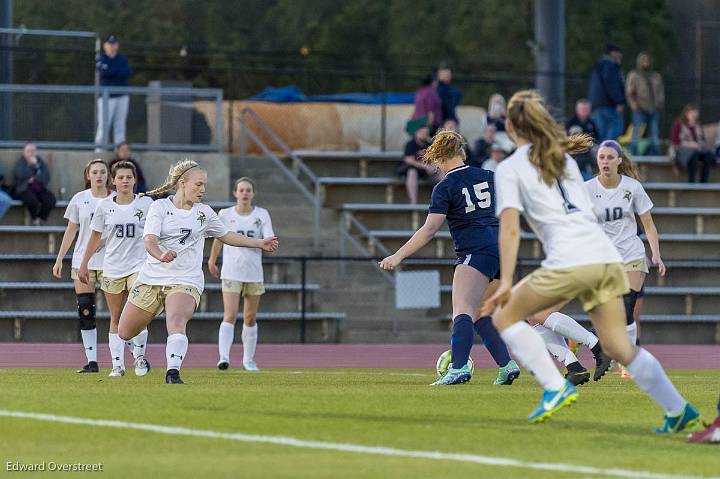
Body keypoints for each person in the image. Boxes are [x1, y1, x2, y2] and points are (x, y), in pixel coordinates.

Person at [481, 90, 698, 431]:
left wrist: (506, 281)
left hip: (571, 256)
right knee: (619, 346)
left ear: (509, 125)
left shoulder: (509, 168)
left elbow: (509, 230)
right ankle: (678, 408)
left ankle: (556, 386)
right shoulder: (564, 158)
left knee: (505, 317)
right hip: (604, 256)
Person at [116, 159, 278, 384]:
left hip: (186, 280)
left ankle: (173, 372)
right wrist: (161, 254)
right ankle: (140, 353)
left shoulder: (205, 213)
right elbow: (150, 241)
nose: (203, 190)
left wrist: (259, 243)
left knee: (175, 321)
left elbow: (227, 235)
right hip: (152, 278)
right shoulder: (160, 207)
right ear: (183, 183)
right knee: (124, 332)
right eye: (198, 185)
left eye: (204, 185)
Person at [380, 129, 521, 386]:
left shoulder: (445, 186)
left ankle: (457, 368)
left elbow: (430, 229)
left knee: (462, 310)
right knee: (478, 313)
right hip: (501, 251)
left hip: (474, 251)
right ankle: (506, 365)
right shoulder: (489, 175)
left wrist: (398, 255)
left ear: (441, 157)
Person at [586, 140, 665, 366]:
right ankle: (601, 343)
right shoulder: (587, 189)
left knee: (628, 305)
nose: (605, 161)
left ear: (620, 160)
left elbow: (648, 225)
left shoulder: (633, 187)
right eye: (602, 157)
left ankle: (627, 362)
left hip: (632, 254)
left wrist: (656, 254)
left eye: (610, 157)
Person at [79, 161, 153, 378]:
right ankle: (117, 365)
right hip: (112, 267)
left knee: (137, 314)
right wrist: (84, 263)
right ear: (114, 181)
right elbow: (94, 236)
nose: (125, 181)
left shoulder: (146, 204)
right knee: (116, 317)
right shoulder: (104, 206)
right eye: (120, 177)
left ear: (135, 180)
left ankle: (139, 358)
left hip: (139, 266)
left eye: (129, 177)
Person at [52, 159, 113, 373]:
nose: (98, 175)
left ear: (108, 176)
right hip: (82, 262)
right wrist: (60, 258)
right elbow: (71, 231)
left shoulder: (115, 199)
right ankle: (92, 361)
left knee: (119, 312)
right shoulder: (80, 199)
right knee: (86, 308)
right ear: (88, 175)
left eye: (102, 172)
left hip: (110, 262)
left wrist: (102, 242)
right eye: (94, 172)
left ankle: (132, 355)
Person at [209, 177, 274, 372]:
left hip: (254, 272)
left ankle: (248, 359)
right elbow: (219, 238)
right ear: (235, 193)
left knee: (250, 317)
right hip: (231, 271)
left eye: (248, 190)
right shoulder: (225, 214)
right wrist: (212, 260)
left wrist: (270, 245)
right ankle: (223, 357)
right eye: (241, 190)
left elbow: (268, 238)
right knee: (229, 314)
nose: (245, 193)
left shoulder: (262, 215)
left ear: (253, 193)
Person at [94, 35, 132, 151]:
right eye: (109, 44)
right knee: (104, 126)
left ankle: (119, 152)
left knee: (120, 126)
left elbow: (127, 72)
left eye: (114, 44)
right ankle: (99, 152)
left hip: (122, 96)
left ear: (117, 45)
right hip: (107, 98)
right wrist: (116, 72)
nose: (112, 47)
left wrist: (112, 71)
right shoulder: (102, 59)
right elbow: (104, 73)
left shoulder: (122, 59)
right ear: (105, 46)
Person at [626, 52, 664, 155]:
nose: (646, 63)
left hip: (653, 108)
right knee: (637, 132)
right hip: (640, 108)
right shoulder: (634, 75)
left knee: (654, 132)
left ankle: (654, 154)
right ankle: (633, 154)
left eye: (647, 60)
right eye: (643, 61)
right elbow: (629, 92)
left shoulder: (655, 76)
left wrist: (660, 104)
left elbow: (660, 91)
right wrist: (634, 105)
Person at [588, 44, 626, 141]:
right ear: (613, 53)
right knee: (616, 126)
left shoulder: (598, 65)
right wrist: (619, 101)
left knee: (600, 132)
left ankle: (601, 153)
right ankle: (609, 149)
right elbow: (612, 85)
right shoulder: (610, 65)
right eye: (619, 54)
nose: (620, 57)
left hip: (596, 105)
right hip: (608, 104)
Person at [399, 119, 442, 204]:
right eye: (421, 132)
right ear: (416, 133)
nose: (423, 134)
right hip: (415, 169)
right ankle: (413, 202)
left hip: (428, 172)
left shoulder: (430, 144)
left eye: (425, 133)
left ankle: (445, 202)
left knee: (443, 174)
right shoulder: (410, 144)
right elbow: (408, 160)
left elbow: (438, 158)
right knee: (412, 172)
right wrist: (425, 166)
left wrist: (435, 166)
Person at [12, 143, 56, 226]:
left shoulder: (40, 162)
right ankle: (35, 219)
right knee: (32, 201)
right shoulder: (20, 162)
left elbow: (46, 176)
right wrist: (33, 168)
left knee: (51, 199)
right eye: (28, 151)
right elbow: (20, 174)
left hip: (39, 188)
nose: (31, 153)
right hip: (24, 189)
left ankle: (41, 219)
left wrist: (34, 176)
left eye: (33, 151)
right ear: (24, 152)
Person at [671, 104, 715, 183]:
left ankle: (704, 181)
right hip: (683, 151)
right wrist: (690, 144)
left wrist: (700, 144)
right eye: (692, 113)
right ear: (686, 113)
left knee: (708, 156)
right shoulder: (678, 124)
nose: (694, 116)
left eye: (695, 114)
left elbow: (703, 140)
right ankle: (692, 181)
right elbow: (676, 142)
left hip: (698, 150)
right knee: (694, 156)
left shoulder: (698, 125)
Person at [565, 99, 599, 179]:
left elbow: (597, 138)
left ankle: (597, 171)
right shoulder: (570, 122)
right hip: (573, 149)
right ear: (577, 110)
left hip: (588, 148)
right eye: (582, 109)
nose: (584, 111)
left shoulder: (591, 122)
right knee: (576, 129)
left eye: (586, 109)